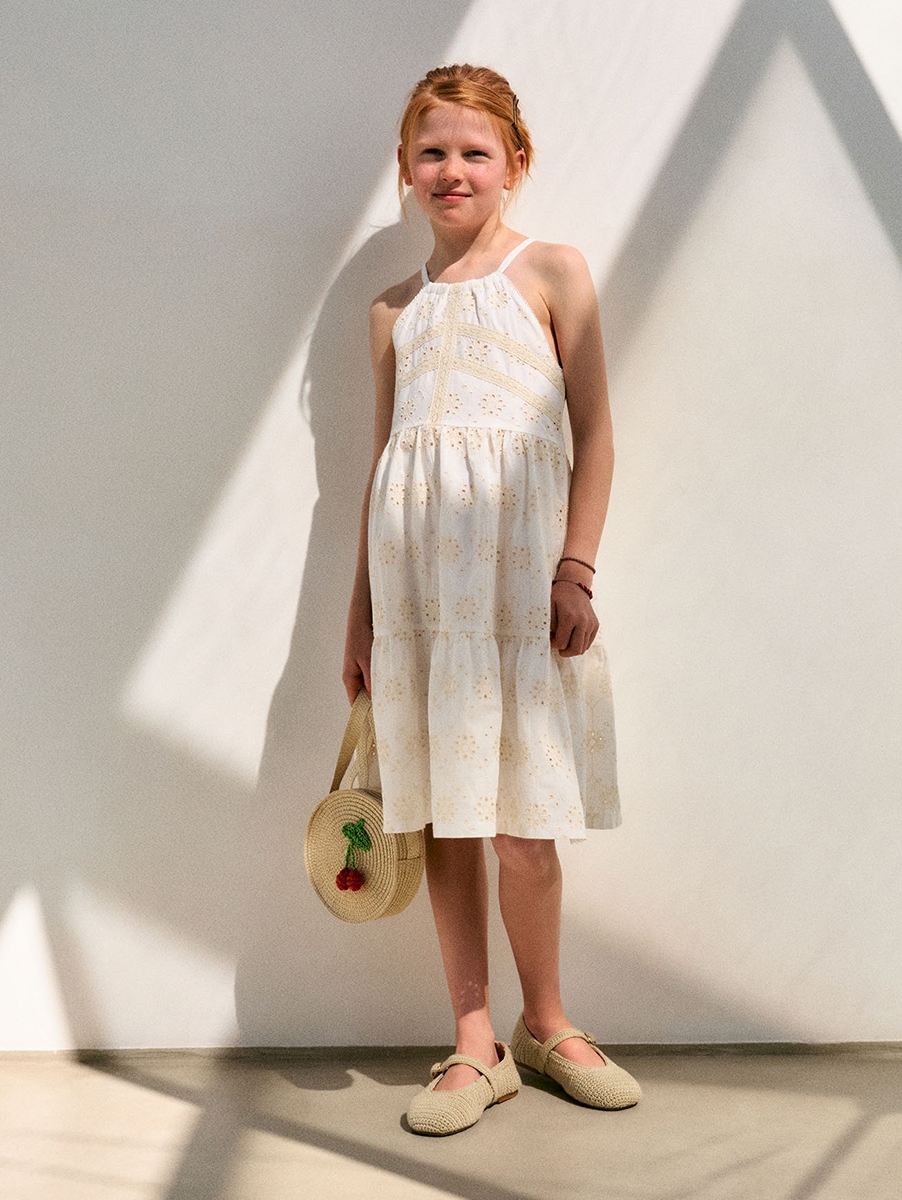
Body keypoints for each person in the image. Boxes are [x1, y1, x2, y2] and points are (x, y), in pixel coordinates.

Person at [343, 63, 640, 1135]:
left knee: (523, 826)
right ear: (403, 169)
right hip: (420, 600)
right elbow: (384, 464)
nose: (452, 170)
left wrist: (576, 568)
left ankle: (546, 1022)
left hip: (518, 596)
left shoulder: (551, 271)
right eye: (431, 152)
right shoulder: (392, 310)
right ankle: (474, 1041)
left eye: (475, 151)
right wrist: (359, 612)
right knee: (447, 818)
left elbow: (595, 432)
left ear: (515, 162)